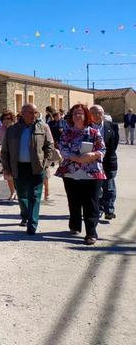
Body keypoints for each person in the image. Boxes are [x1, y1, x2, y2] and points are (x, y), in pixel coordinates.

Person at [56, 104, 106, 245]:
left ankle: (91, 233)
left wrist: (93, 154)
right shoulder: (67, 133)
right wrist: (76, 158)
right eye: (74, 114)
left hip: (92, 173)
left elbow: (102, 149)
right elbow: (62, 148)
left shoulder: (94, 132)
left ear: (86, 116)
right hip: (71, 172)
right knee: (74, 201)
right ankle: (75, 225)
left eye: (80, 113)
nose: (77, 116)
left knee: (91, 204)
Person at [1, 104, 54, 234]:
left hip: (36, 167)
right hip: (19, 167)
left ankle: (32, 224)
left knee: (35, 196)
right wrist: (6, 168)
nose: (34, 115)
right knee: (22, 194)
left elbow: (50, 146)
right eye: (31, 112)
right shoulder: (12, 130)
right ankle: (25, 215)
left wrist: (45, 163)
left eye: (35, 112)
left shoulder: (43, 127)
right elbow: (5, 150)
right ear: (22, 113)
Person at [89, 105, 118, 219]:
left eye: (99, 113)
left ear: (103, 113)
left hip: (109, 161)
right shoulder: (87, 127)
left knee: (109, 187)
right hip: (92, 162)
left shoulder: (112, 126)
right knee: (97, 187)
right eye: (94, 113)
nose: (97, 115)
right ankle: (99, 208)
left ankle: (109, 210)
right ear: (90, 115)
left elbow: (114, 144)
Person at [0, 111, 17, 200]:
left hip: (16, 155)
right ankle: (12, 192)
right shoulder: (0, 130)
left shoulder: (16, 128)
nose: (6, 121)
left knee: (16, 175)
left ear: (12, 119)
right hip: (4, 154)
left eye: (8, 119)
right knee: (8, 174)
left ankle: (18, 192)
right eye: (4, 119)